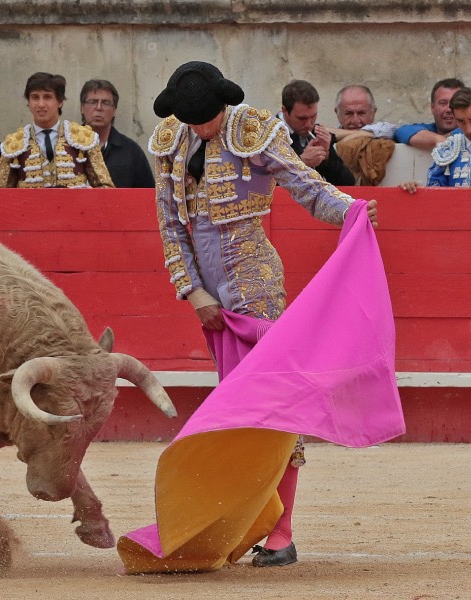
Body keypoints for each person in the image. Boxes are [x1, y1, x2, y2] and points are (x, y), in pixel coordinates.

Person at [146, 61, 377, 568]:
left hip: (254, 283)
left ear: (224, 105)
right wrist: (192, 293)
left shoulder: (253, 129)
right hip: (210, 293)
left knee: (274, 405)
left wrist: (349, 210)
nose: (202, 129)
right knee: (236, 409)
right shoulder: (168, 139)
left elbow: (306, 185)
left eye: (207, 119)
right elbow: (169, 224)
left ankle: (281, 532)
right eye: (193, 122)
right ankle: (248, 518)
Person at [0, 72, 114, 188]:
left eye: (47, 97)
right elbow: (1, 196)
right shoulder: (13, 144)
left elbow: (105, 188)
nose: (41, 104)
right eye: (35, 97)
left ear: (60, 102)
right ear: (29, 102)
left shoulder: (85, 138)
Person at [400, 87, 471, 192]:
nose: (469, 130)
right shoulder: (449, 147)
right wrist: (417, 190)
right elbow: (435, 192)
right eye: (461, 121)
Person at [79, 79, 154, 188]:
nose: (99, 108)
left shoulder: (131, 151)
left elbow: (148, 194)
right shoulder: (66, 147)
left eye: (106, 103)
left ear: (114, 110)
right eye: (93, 102)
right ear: (82, 108)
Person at [278, 80, 354, 186]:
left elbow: (348, 184)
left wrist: (327, 157)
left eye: (313, 116)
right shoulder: (270, 135)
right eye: (302, 118)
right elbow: (262, 184)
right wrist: (301, 163)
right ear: (284, 110)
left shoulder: (316, 132)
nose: (309, 124)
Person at [394, 78, 464, 150]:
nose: (449, 109)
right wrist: (437, 139)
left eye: (455, 103)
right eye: (443, 103)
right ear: (432, 107)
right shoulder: (428, 130)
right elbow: (402, 132)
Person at [331, 85, 397, 142]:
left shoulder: (383, 130)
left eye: (361, 113)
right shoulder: (325, 140)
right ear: (338, 114)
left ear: (373, 112)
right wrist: (362, 133)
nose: (355, 121)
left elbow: (391, 130)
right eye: (349, 113)